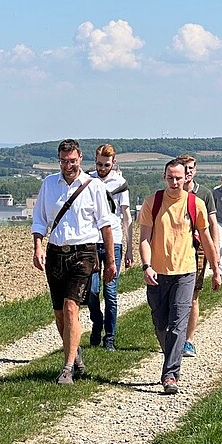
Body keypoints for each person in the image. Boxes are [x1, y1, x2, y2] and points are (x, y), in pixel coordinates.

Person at [31, 139, 116, 386]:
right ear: (58, 160)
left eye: (72, 160)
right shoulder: (49, 185)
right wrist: (38, 247)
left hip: (84, 253)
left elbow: (105, 226)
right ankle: (74, 352)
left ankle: (67, 368)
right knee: (59, 314)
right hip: (56, 253)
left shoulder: (94, 187)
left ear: (80, 159)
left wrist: (110, 261)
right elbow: (39, 220)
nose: (68, 165)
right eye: (63, 161)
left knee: (71, 307)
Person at [139, 158, 221, 394]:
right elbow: (144, 238)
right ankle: (171, 358)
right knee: (160, 323)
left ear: (187, 178)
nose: (175, 182)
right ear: (164, 178)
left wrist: (216, 269)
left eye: (179, 178)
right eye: (170, 178)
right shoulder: (152, 203)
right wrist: (147, 266)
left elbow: (205, 239)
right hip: (157, 272)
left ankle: (170, 375)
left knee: (177, 324)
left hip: (185, 271)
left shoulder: (195, 204)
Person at [86, 143, 133, 351]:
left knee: (111, 292)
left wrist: (130, 247)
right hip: (92, 240)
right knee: (92, 291)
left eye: (105, 165)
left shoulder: (120, 184)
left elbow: (126, 216)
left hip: (114, 240)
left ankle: (110, 337)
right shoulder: (87, 180)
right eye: (98, 164)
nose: (101, 168)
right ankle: (97, 322)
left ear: (113, 163)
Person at [177, 154, 219, 359]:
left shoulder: (204, 194)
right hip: (176, 248)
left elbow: (212, 224)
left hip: (199, 247)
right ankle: (174, 336)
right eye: (185, 168)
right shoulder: (172, 193)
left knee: (193, 296)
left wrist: (216, 252)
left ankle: (188, 340)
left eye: (191, 168)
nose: (188, 171)